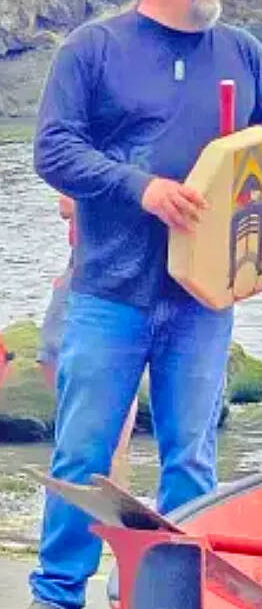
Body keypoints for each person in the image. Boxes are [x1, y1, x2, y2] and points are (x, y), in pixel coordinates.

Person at [0, 0, 262, 609]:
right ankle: (57, 599)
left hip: (203, 299)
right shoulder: (94, 49)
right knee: (83, 453)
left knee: (191, 455)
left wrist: (255, 260)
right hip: (109, 290)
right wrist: (141, 188)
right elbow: (53, 149)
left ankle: (175, 607)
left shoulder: (244, 55)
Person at [38, 194, 138, 487]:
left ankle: (113, 462)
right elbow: (66, 206)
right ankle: (93, 455)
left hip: (113, 256)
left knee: (109, 363)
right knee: (51, 351)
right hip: (85, 256)